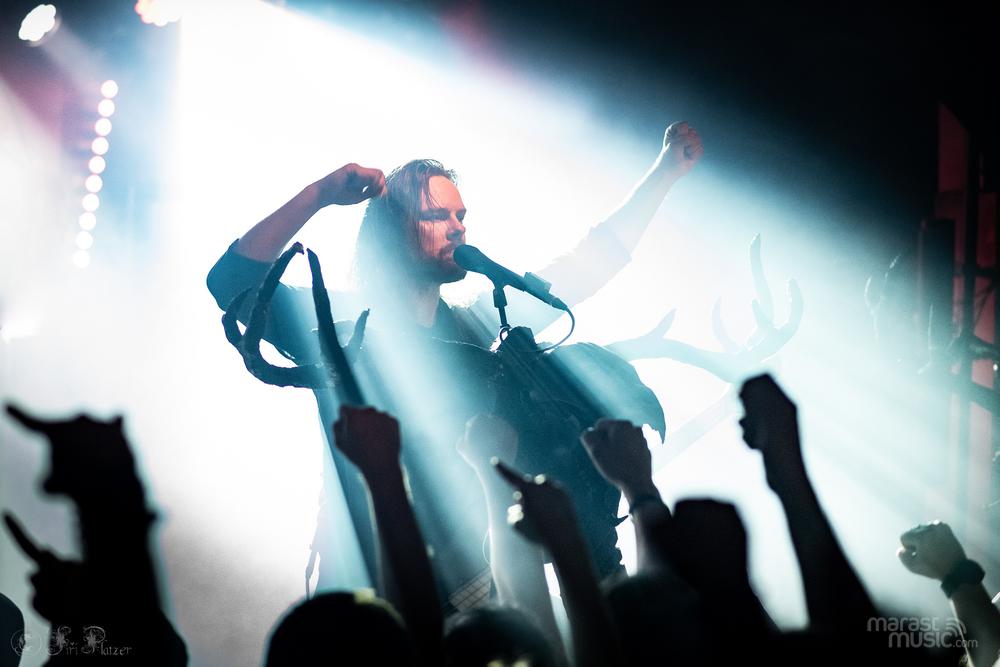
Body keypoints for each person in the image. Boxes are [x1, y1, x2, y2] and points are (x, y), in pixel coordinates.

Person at [206, 122, 703, 608]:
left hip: (468, 591)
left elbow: (584, 267)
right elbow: (230, 282)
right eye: (436, 215)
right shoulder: (342, 323)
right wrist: (320, 194)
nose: (458, 226)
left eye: (461, 215)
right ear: (392, 231)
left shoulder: (476, 326)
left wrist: (664, 174)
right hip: (369, 585)